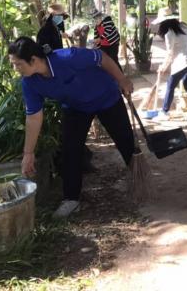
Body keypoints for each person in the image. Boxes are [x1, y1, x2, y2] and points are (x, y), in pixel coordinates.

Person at [8, 36, 135, 219]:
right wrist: (28, 153)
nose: (15, 69)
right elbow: (34, 117)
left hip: (106, 98)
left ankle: (138, 178)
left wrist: (122, 79)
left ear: (33, 60)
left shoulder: (69, 57)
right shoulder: (29, 83)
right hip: (76, 108)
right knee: (70, 151)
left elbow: (102, 58)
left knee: (125, 140)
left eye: (18, 64)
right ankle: (71, 199)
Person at [153, 8, 187, 118]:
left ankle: (164, 111)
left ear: (163, 23)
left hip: (183, 62)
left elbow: (169, 54)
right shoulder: (184, 26)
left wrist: (163, 67)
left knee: (170, 86)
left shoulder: (169, 34)